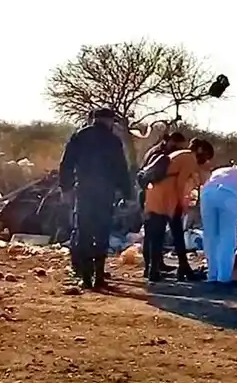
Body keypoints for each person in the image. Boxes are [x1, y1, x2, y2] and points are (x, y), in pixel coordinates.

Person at [59, 107, 132, 289]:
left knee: (84, 232)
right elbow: (121, 168)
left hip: (84, 191)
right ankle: (99, 276)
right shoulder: (113, 140)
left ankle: (85, 278)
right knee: (102, 233)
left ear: (93, 119)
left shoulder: (79, 136)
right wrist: (127, 193)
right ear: (109, 121)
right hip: (105, 193)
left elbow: (66, 164)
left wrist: (66, 188)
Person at [142, 139, 215, 281]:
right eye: (206, 157)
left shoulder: (181, 154)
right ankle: (157, 272)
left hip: (158, 194)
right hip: (165, 197)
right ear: (201, 152)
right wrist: (183, 204)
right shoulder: (190, 158)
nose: (205, 161)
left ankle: (176, 268)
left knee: (166, 233)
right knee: (161, 234)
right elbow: (180, 183)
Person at [138, 132, 190, 275]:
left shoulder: (158, 153)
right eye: (175, 145)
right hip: (156, 196)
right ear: (167, 141)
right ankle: (151, 267)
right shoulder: (158, 155)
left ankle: (156, 265)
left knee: (156, 233)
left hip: (159, 196)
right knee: (154, 233)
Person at [200, 163, 237, 284]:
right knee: (227, 237)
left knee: (210, 236)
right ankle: (224, 278)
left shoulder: (218, 171)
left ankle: (212, 275)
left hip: (207, 194)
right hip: (228, 196)